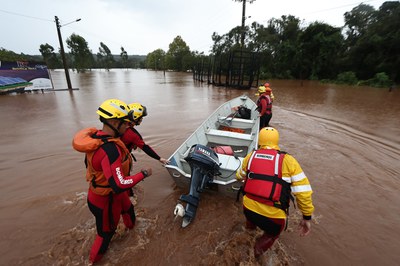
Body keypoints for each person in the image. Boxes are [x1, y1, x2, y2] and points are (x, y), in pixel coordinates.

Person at [72, 99, 153, 264]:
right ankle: (93, 262)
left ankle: (133, 235)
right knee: (105, 235)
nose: (127, 127)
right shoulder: (110, 150)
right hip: (105, 200)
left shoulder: (98, 137)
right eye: (125, 124)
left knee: (129, 210)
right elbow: (119, 184)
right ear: (115, 122)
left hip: (112, 195)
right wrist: (143, 174)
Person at [236, 127, 314, 258]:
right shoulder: (289, 161)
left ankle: (247, 236)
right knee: (271, 235)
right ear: (276, 140)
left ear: (259, 140)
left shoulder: (250, 156)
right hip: (273, 217)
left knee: (250, 226)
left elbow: (239, 176)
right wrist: (307, 217)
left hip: (248, 209)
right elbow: (303, 193)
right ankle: (253, 256)